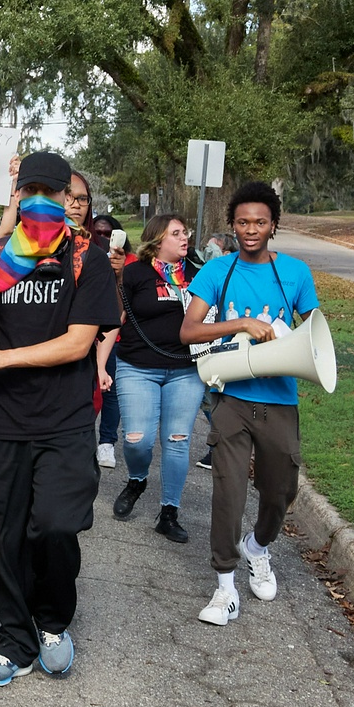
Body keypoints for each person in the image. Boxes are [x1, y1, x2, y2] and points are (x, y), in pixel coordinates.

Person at [0, 151, 120, 685]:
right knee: (3, 534)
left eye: (51, 194)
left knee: (54, 525)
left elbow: (78, 344)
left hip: (66, 421)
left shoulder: (87, 259)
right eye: (29, 193)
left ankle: (52, 621)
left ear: (67, 200)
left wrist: (1, 358)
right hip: (3, 418)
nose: (40, 203)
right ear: (18, 197)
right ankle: (15, 642)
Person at [180, 182, 319, 627]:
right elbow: (188, 331)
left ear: (274, 225)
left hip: (280, 401)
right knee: (229, 493)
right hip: (231, 399)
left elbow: (314, 333)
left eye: (260, 222)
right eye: (243, 222)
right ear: (233, 225)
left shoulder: (296, 272)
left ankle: (257, 547)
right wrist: (238, 322)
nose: (251, 229)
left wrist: (284, 337)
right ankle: (225, 587)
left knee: (280, 492)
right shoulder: (218, 271)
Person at [110, 213, 205, 543]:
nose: (184, 238)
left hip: (186, 371)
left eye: (185, 232)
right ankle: (137, 479)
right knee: (138, 441)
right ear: (157, 240)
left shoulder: (197, 275)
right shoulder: (135, 273)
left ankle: (169, 512)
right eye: (176, 233)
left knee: (178, 442)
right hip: (137, 368)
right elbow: (114, 320)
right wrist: (98, 366)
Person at [92, 214, 127, 468]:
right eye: (99, 233)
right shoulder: (84, 254)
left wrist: (119, 274)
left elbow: (122, 310)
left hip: (113, 339)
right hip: (82, 335)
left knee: (110, 392)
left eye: (109, 234)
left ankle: (106, 443)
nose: (104, 238)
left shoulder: (126, 263)